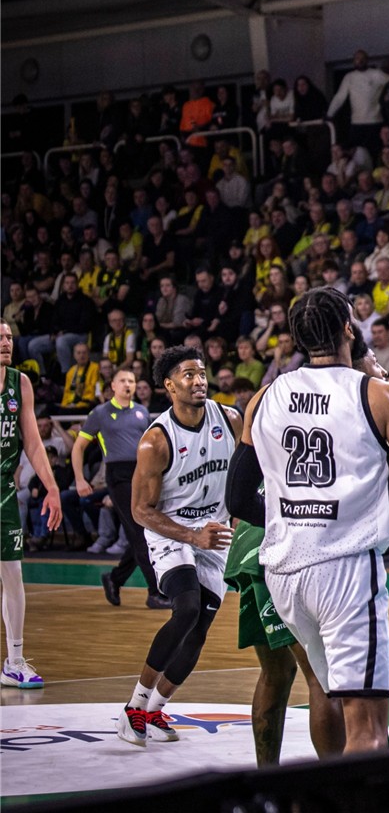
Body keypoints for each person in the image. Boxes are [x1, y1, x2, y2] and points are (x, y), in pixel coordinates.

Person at [231, 287, 389, 753]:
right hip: (345, 570)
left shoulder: (264, 397)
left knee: (328, 691)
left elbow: (237, 496)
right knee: (368, 727)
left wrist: (291, 517)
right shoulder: (379, 396)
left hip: (286, 573)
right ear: (349, 329)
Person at [223, 335, 388, 765]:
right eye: (375, 362)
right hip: (285, 541)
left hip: (256, 543)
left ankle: (268, 779)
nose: (382, 372)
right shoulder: (353, 404)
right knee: (322, 678)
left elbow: (239, 493)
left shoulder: (284, 398)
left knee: (276, 673)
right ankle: (333, 786)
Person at [115, 346, 240, 747]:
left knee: (200, 628)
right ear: (169, 385)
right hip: (172, 531)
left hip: (214, 531)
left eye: (202, 373)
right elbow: (139, 510)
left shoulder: (231, 420)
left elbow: (250, 471)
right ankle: (134, 707)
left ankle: (155, 710)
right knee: (185, 607)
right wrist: (190, 536)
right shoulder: (156, 441)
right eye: (188, 375)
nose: (199, 380)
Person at [0, 320, 63, 689]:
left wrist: (51, 487)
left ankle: (15, 660)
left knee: (13, 574)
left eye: (8, 337)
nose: (6, 342)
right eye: (0, 338)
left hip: (4, 490)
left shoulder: (19, 383)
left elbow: (33, 443)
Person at [74, 366, 166, 609]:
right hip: (118, 476)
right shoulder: (100, 413)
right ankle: (155, 592)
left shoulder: (142, 412)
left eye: (132, 381)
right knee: (140, 532)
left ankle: (114, 579)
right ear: (113, 386)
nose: (128, 384)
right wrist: (80, 479)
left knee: (142, 533)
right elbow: (78, 447)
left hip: (143, 472)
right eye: (123, 380)